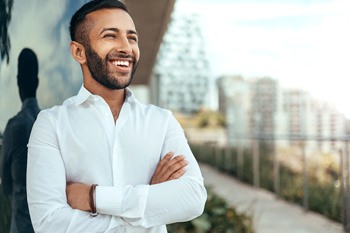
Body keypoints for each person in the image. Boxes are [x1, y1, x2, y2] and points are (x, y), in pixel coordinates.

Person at [26, 0, 207, 232]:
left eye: (132, 38)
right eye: (110, 36)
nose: (126, 47)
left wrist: (95, 198)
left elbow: (193, 198)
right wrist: (149, 202)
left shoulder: (162, 122)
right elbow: (49, 223)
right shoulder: (51, 124)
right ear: (79, 51)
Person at [1, 48, 40, 233]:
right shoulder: (49, 125)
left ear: (17, 82)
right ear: (38, 83)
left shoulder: (14, 126)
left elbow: (6, 187)